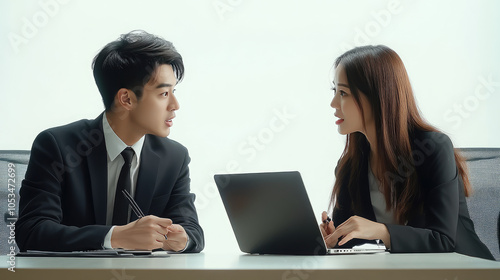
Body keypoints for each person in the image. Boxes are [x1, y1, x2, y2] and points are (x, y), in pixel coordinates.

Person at [16, 30, 204, 253]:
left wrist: (183, 240)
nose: (175, 105)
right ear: (126, 98)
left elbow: (193, 232)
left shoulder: (174, 157)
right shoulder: (57, 145)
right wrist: (115, 236)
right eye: (164, 94)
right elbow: (32, 231)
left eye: (174, 91)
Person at [319, 45, 494, 260]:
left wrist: (382, 231)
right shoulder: (350, 166)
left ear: (377, 97)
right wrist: (334, 237)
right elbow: (355, 242)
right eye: (334, 91)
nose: (333, 103)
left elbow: (443, 240)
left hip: (463, 270)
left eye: (343, 93)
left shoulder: (432, 149)